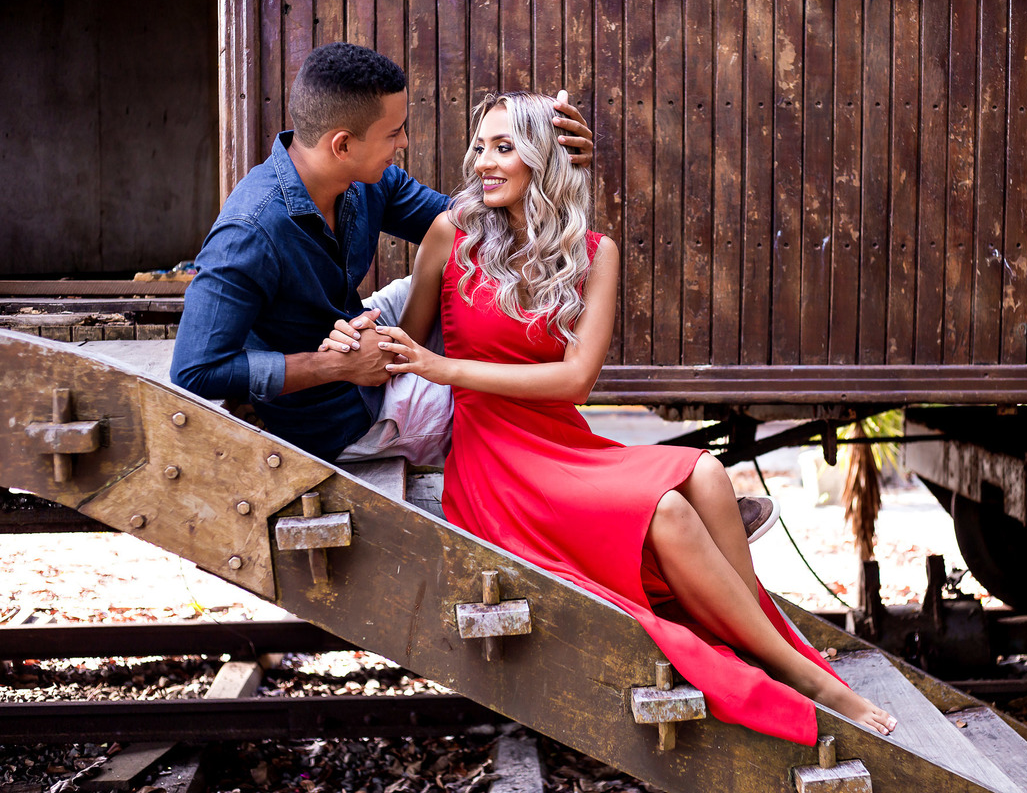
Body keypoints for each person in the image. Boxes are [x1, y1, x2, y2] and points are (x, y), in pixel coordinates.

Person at [321, 91, 897, 743]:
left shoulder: (594, 253)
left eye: (504, 148)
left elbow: (576, 381)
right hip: (495, 461)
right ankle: (802, 674)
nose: (483, 162)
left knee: (708, 474)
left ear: (543, 158)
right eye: (480, 147)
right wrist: (349, 339)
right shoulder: (451, 235)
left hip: (561, 439)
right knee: (669, 511)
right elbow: (404, 339)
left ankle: (760, 649)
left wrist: (442, 368)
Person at [169, 42, 594, 465]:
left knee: (479, 273)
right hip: (335, 411)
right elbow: (194, 371)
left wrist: (555, 163)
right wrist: (333, 366)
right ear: (342, 146)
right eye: (393, 133)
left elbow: (482, 226)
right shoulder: (249, 232)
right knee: (499, 408)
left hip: (356, 326)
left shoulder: (367, 182)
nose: (404, 142)